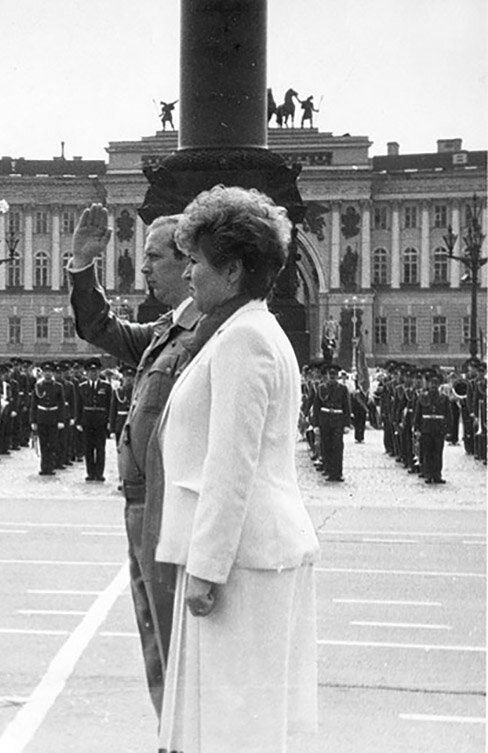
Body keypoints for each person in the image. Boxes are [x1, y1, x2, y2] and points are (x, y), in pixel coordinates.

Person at [154, 185, 320, 752]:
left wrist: (205, 568)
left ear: (232, 271)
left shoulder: (242, 340)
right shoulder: (249, 331)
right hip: (251, 555)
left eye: (197, 262)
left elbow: (231, 465)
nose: (188, 275)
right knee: (243, 722)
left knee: (233, 728)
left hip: (240, 563)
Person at [69, 207, 201, 713]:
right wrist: (83, 264)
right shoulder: (170, 329)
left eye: (153, 257)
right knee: (156, 644)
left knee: (174, 644)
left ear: (188, 262)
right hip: (141, 508)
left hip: (167, 507)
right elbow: (100, 327)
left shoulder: (203, 334)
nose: (143, 268)